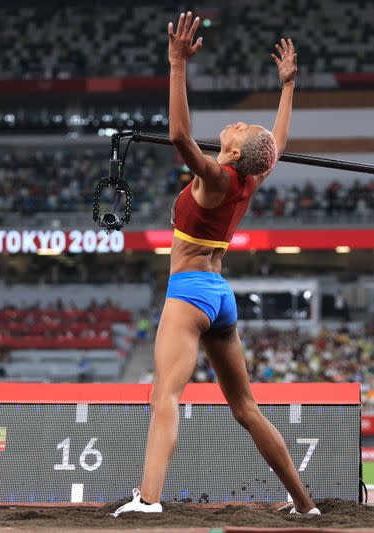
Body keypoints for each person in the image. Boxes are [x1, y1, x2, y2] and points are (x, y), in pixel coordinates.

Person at [113, 12, 319, 517]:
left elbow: (182, 137)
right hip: (219, 296)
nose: (240, 123)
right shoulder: (251, 175)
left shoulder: (218, 178)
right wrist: (287, 88)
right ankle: (305, 505)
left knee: (164, 395)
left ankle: (148, 501)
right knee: (245, 408)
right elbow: (278, 143)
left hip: (188, 294)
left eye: (242, 128)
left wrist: (176, 65)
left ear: (230, 151)